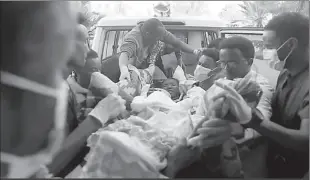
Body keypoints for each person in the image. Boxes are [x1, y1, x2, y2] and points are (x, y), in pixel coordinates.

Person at [0, 2, 126, 178]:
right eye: (83, 40)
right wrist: (97, 117)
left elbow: (37, 170)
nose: (90, 51)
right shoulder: (25, 96)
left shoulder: (57, 88)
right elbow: (46, 163)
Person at [208, 13, 309, 178]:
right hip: (275, 163)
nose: (263, 52)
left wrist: (253, 120)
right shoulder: (285, 74)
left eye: (269, 47)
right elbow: (277, 117)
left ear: (291, 44)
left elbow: (306, 141)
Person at [181, 36, 274, 178]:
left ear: (249, 62)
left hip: (246, 162)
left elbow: (261, 125)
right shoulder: (220, 84)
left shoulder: (258, 87)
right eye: (222, 62)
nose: (225, 68)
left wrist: (234, 130)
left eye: (231, 63)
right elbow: (201, 113)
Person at [119, 18, 201, 82]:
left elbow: (177, 43)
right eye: (158, 38)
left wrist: (195, 51)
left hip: (150, 64)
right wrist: (123, 68)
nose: (162, 39)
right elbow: (125, 54)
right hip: (133, 70)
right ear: (147, 34)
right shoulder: (133, 38)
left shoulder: (159, 32)